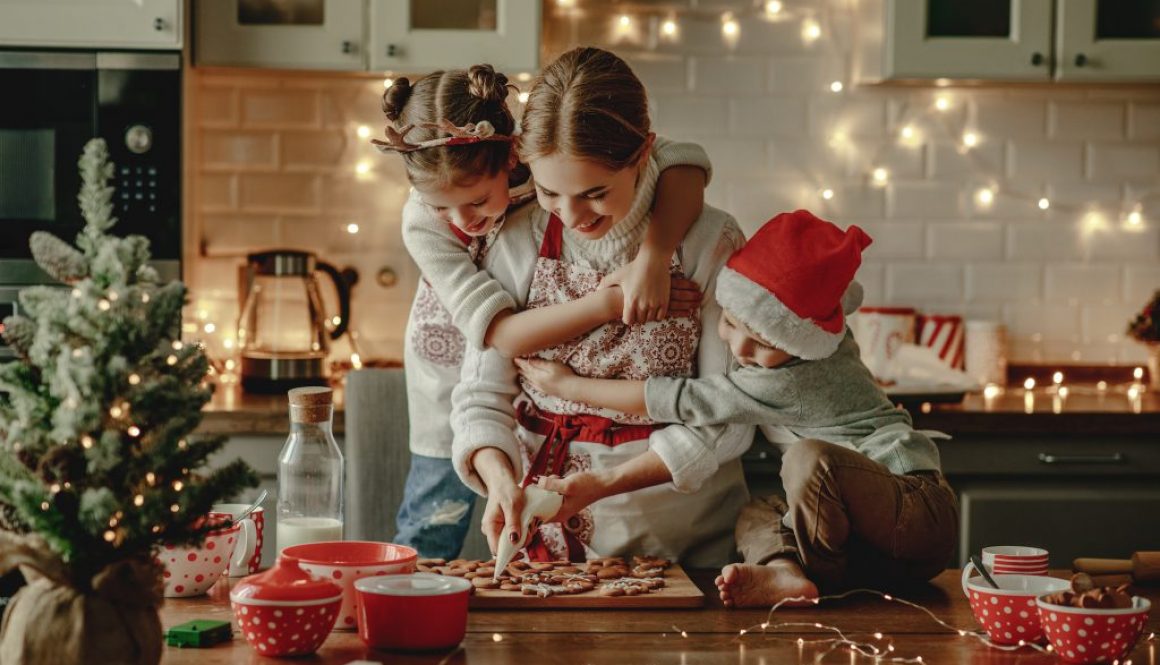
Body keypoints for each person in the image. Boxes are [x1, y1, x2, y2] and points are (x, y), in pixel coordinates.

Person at [518, 209, 958, 606]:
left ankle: (818, 579)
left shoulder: (793, 377)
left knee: (809, 459)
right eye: (729, 323)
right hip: (875, 548)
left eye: (764, 343)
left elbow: (679, 399)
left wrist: (571, 385)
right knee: (755, 513)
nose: (740, 347)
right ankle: (787, 575)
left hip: (914, 509)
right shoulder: (817, 331)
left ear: (799, 341)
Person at [375, 64, 712, 559]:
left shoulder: (546, 169)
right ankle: (410, 607)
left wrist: (654, 256)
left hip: (535, 359)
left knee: (522, 499)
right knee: (434, 514)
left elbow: (682, 162)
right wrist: (610, 302)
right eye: (442, 208)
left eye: (475, 201)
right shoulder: (423, 223)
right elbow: (502, 335)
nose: (461, 222)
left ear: (513, 155)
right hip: (459, 352)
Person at [450, 47, 754, 567]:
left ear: (643, 154)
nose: (570, 216)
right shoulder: (518, 235)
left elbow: (727, 414)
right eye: (548, 192)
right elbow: (481, 394)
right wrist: (500, 478)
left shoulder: (708, 241)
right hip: (543, 545)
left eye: (594, 193)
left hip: (682, 543)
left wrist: (606, 483)